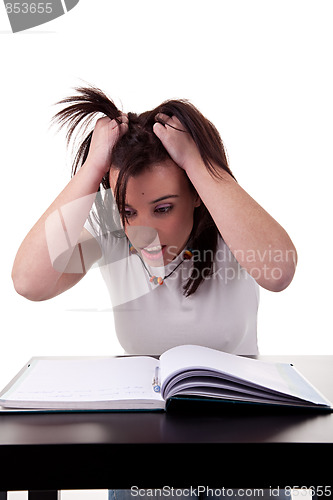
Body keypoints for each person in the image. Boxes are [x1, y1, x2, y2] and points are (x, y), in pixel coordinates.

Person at [11, 86, 297, 497]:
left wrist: (198, 163)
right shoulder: (113, 234)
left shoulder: (230, 228)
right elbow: (28, 281)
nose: (145, 230)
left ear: (196, 194)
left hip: (242, 441)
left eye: (164, 208)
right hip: (143, 452)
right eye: (129, 211)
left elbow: (280, 272)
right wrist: (92, 170)